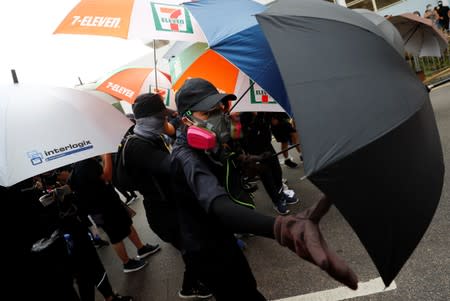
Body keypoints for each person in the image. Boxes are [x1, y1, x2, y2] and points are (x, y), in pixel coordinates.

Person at [170, 78, 358, 300]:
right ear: (186, 121)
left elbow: (223, 157)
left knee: (247, 285)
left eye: (220, 109)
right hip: (206, 247)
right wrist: (281, 227)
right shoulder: (186, 158)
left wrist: (245, 160)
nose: (218, 117)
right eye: (208, 113)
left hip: (222, 236)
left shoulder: (208, 144)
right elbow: (218, 205)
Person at [123, 92, 212, 299]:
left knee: (194, 248)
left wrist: (179, 127)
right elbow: (174, 165)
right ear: (147, 120)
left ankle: (194, 282)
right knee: (192, 249)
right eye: (161, 118)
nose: (165, 121)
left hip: (173, 205)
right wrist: (182, 135)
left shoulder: (151, 136)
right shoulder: (138, 146)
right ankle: (190, 287)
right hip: (164, 213)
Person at [5, 174, 133, 301]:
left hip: (73, 232)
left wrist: (59, 195)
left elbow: (70, 203)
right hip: (53, 245)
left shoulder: (39, 181)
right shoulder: (18, 191)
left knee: (91, 268)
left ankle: (110, 296)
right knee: (78, 276)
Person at [70, 155, 160, 273]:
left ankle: (141, 249)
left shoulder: (80, 166)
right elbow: (107, 177)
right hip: (102, 207)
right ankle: (127, 263)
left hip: (106, 204)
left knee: (127, 223)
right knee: (115, 235)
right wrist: (106, 157)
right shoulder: (85, 164)